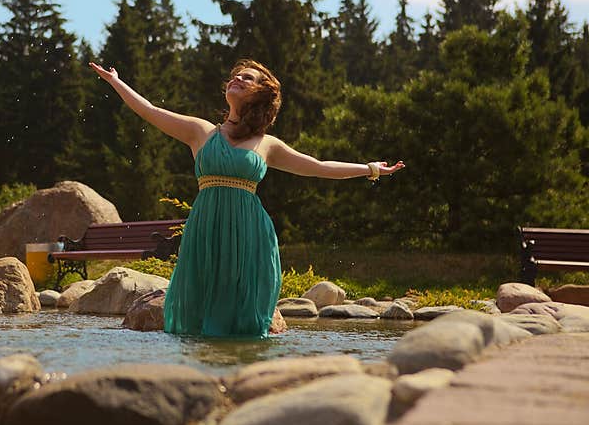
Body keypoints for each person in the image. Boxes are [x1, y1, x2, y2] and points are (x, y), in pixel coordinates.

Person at [89, 59, 405, 338]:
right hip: (206, 227)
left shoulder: (266, 144)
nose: (238, 78)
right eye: (236, 75)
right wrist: (116, 81)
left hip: (249, 231)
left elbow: (318, 167)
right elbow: (151, 111)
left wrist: (370, 169)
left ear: (260, 94)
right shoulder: (201, 132)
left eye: (248, 78)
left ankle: (241, 361)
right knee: (198, 308)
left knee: (241, 307)